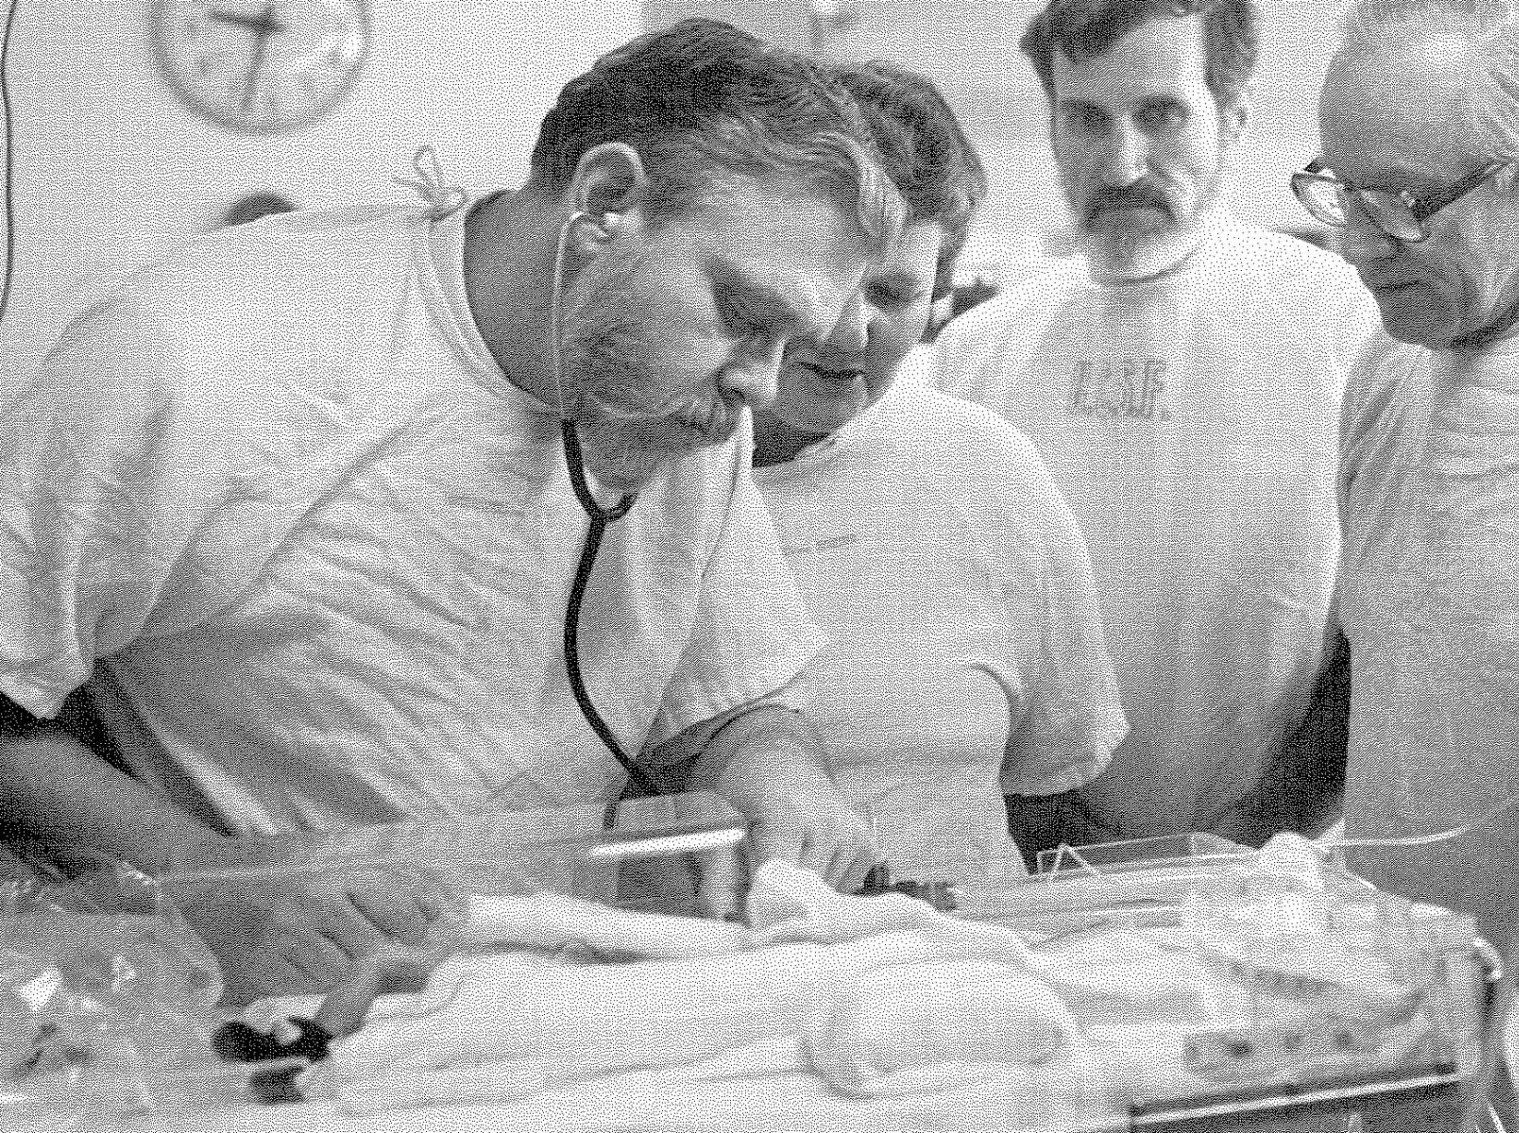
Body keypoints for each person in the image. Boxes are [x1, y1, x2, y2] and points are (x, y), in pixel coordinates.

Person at [0, 19, 894, 1002]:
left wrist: (776, 767)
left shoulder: (684, 413)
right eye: (743, 315)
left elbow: (733, 699)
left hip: (530, 1012)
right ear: (605, 202)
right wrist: (214, 882)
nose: (761, 389)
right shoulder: (196, 353)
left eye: (791, 340)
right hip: (249, 1020)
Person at [931, 0, 1376, 853]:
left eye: (1161, 115)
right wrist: (1033, 816)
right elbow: (962, 627)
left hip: (1274, 863)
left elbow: (1383, 631)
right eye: (1086, 120)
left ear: (1234, 118)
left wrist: (1257, 830)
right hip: (1037, 861)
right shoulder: (976, 354)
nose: (1123, 161)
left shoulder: (1340, 325)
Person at [1300, 0, 1519, 1121]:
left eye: (1403, 204)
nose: (1355, 240)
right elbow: (1393, 681)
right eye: (1338, 191)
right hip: (1414, 1053)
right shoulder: (1384, 375)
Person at [748, 61, 1127, 883]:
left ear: (939, 295)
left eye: (893, 290)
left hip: (953, 967)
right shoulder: (646, 479)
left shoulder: (987, 473)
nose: (852, 330)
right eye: (829, 277)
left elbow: (1051, 790)